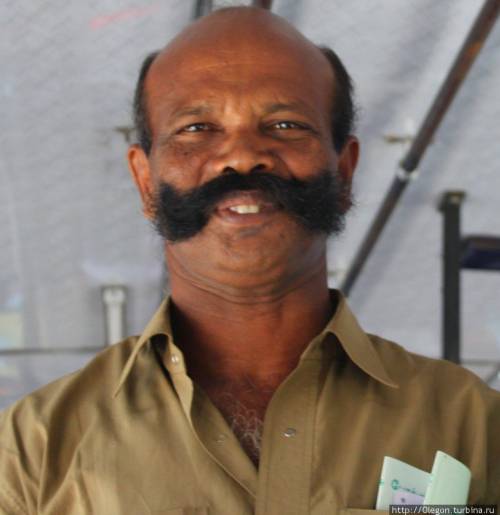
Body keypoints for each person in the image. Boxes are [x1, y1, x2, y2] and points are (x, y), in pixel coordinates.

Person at [0, 6, 499, 514]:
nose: (241, 156)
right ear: (146, 181)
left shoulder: (475, 427)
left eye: (285, 124)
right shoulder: (32, 452)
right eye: (197, 127)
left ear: (344, 172)